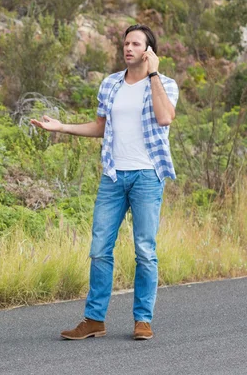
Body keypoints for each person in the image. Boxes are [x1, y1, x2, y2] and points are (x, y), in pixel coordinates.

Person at [31, 24, 179, 340]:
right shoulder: (110, 84)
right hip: (113, 176)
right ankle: (94, 319)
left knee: (145, 250)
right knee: (99, 249)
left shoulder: (165, 84)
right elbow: (100, 127)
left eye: (136, 44)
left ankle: (143, 320)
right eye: (126, 43)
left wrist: (153, 76)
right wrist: (63, 127)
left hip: (147, 176)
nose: (128, 48)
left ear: (149, 51)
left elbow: (165, 117)